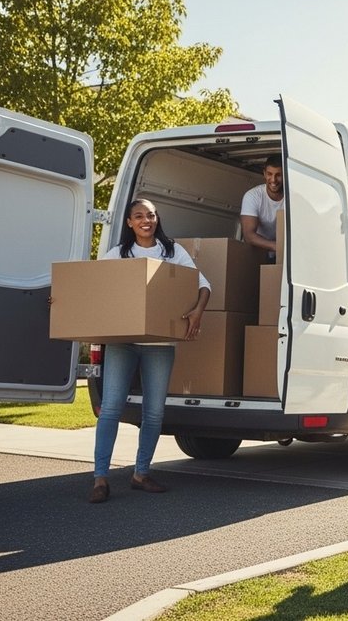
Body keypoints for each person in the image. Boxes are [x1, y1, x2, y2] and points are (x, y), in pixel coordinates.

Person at [89, 198, 211, 503]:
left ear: (157, 219)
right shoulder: (118, 254)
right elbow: (91, 286)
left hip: (159, 345)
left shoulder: (172, 252)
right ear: (129, 222)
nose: (146, 220)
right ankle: (100, 478)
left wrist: (198, 311)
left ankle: (141, 474)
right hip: (123, 343)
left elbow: (203, 285)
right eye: (139, 216)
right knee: (111, 408)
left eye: (151, 215)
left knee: (154, 413)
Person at [240, 155, 284, 258]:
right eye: (269, 174)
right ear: (264, 173)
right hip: (256, 253)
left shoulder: (292, 198)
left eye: (278, 175)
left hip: (283, 255)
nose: (273, 180)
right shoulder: (253, 196)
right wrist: (276, 246)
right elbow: (248, 235)